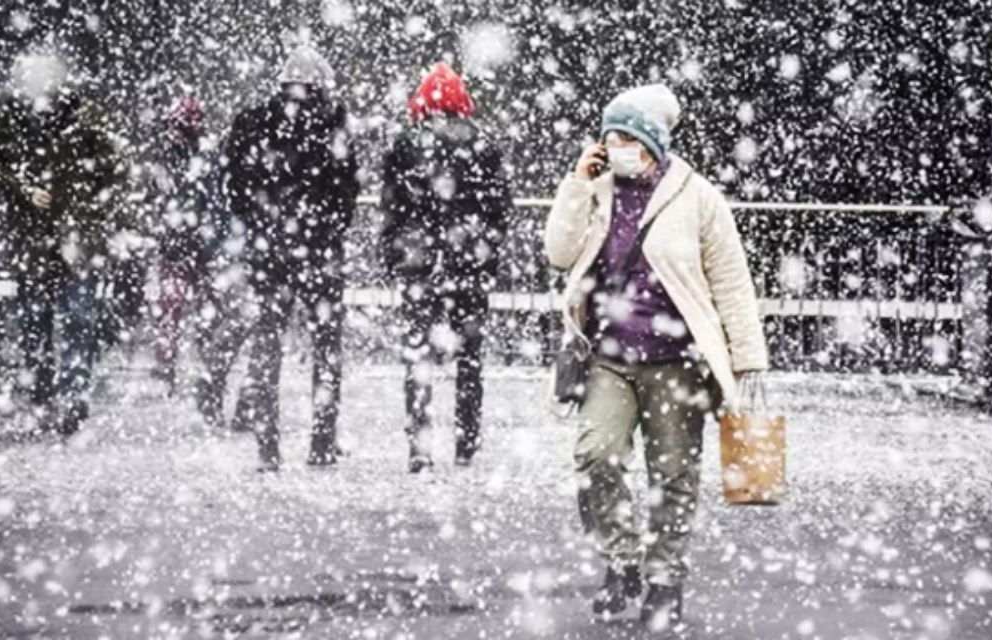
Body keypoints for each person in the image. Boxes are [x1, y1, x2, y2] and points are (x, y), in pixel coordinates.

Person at [543, 84, 769, 630]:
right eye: (609, 138)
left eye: (626, 138)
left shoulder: (697, 197)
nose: (616, 147)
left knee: (672, 476)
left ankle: (665, 580)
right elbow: (558, 252)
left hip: (676, 361)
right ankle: (622, 561)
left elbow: (731, 283)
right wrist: (577, 182)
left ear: (651, 141)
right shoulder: (596, 190)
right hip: (610, 356)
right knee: (596, 456)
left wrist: (747, 359)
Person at [215, 45, 360, 470]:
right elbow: (346, 188)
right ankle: (321, 440)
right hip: (318, 251)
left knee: (267, 343)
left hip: (269, 251)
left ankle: (267, 445)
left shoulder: (252, 122)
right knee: (326, 346)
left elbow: (234, 186)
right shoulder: (332, 125)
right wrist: (327, 227)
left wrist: (261, 227)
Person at [0, 52, 122, 435]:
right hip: (39, 239)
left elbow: (114, 169)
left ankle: (67, 396)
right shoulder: (11, 118)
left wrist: (84, 204)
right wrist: (24, 189)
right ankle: (48, 393)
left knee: (70, 319)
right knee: (40, 320)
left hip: (69, 239)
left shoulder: (82, 117)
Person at [380, 62, 512, 472]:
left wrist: (395, 254)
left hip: (420, 265)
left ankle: (420, 445)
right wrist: (486, 252)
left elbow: (393, 208)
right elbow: (498, 210)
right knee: (469, 358)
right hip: (469, 264)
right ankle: (466, 442)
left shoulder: (405, 144)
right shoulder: (484, 145)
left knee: (418, 356)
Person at [146, 97, 218, 393]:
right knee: (191, 307)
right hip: (193, 243)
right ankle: (205, 360)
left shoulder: (168, 156)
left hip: (182, 242)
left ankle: (172, 363)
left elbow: (159, 196)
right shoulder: (200, 155)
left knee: (172, 308)